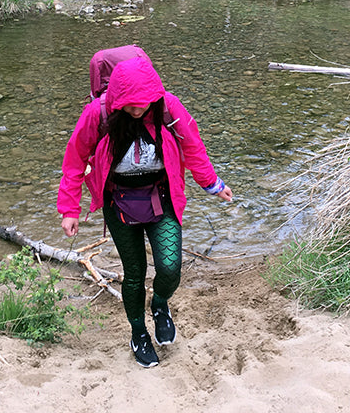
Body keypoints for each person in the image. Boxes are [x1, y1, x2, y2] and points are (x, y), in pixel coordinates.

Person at [57, 52, 233, 368]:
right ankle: (138, 333)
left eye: (145, 103)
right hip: (117, 201)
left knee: (169, 267)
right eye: (130, 104)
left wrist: (212, 184)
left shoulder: (167, 107)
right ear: (117, 98)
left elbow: (192, 145)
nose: (138, 110)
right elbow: (74, 161)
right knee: (134, 273)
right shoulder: (97, 115)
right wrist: (70, 209)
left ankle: (161, 304)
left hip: (161, 196)